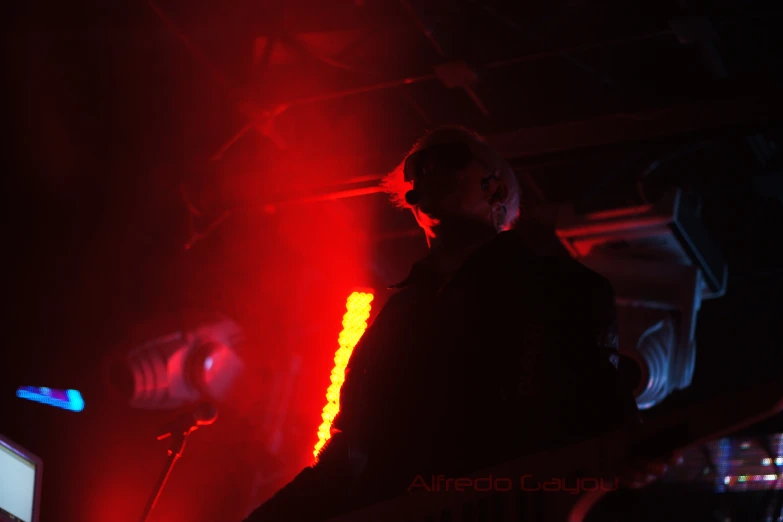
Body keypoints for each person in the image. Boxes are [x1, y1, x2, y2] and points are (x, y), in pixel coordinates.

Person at [243, 126, 646, 522]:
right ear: (413, 202)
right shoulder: (393, 319)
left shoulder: (564, 288)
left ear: (497, 189)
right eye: (417, 166)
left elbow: (603, 421)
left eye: (448, 158)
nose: (427, 172)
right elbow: (347, 456)